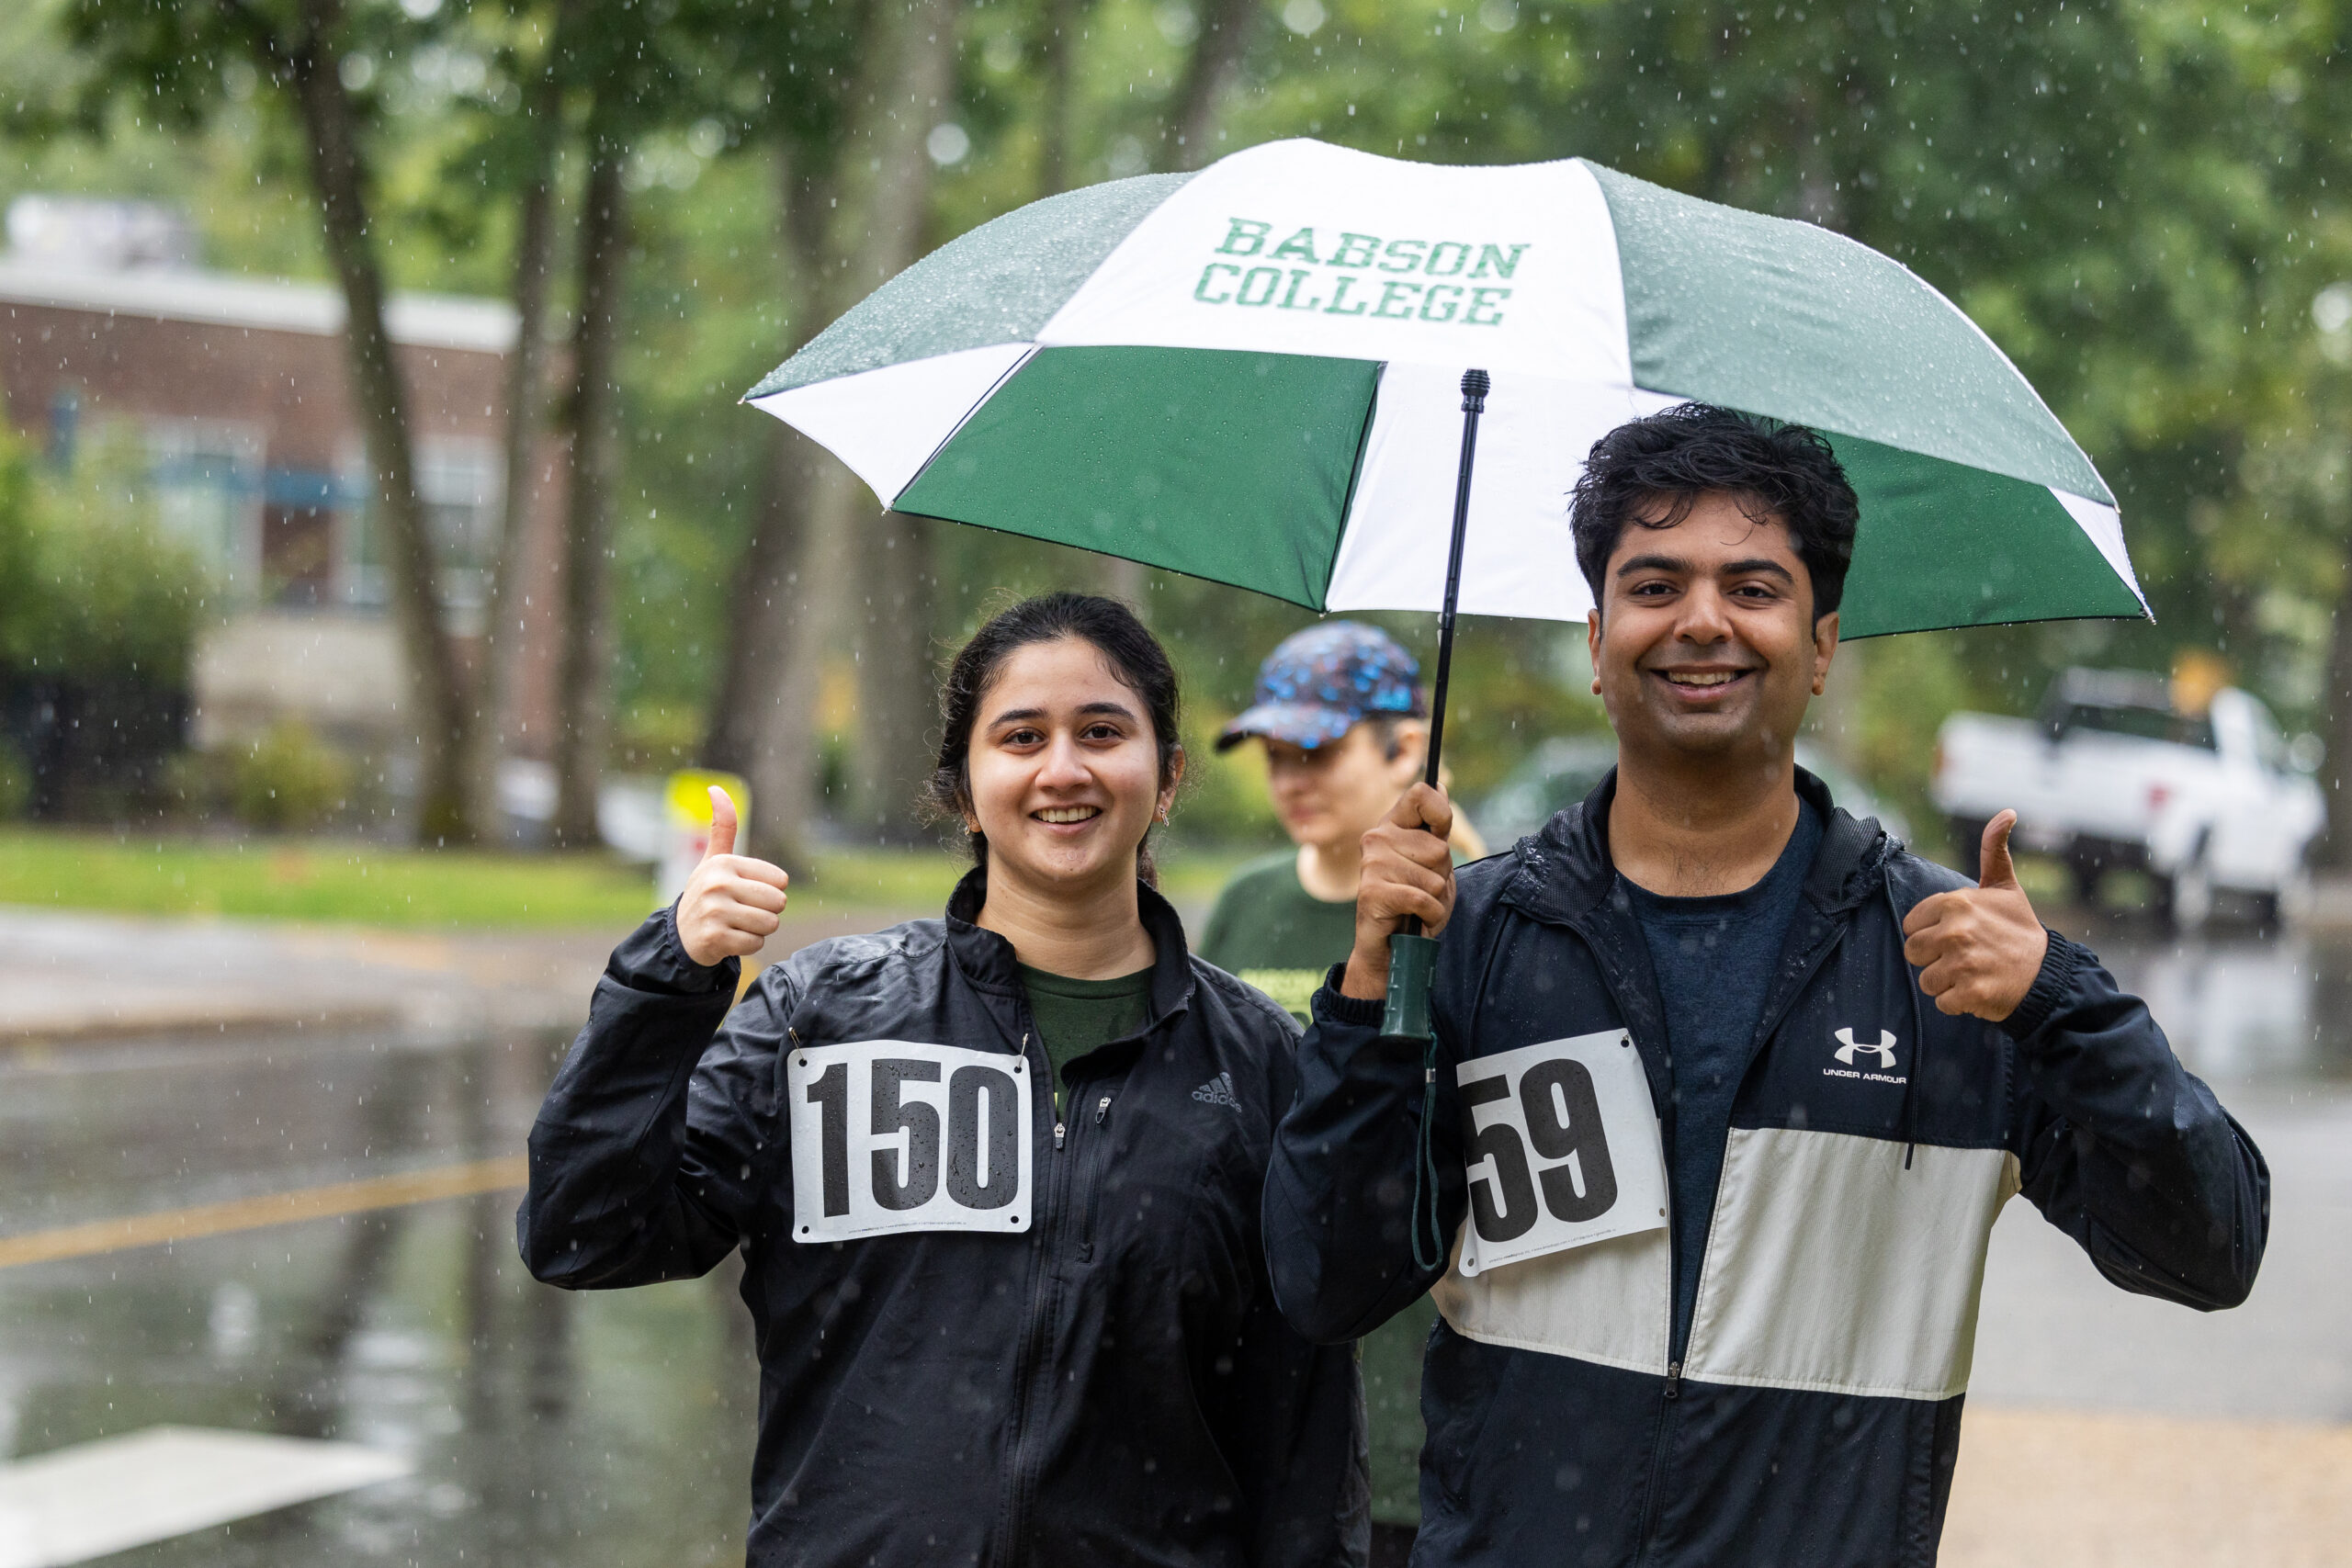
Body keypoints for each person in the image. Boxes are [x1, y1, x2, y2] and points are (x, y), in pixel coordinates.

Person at [1261, 404, 2269, 1567]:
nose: (1700, 621)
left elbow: (2215, 1247)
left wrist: (2058, 998)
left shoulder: (1950, 957)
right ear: (1595, 642)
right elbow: (1321, 1279)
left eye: (1751, 587)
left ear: (1823, 642)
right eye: (1653, 587)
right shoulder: (1476, 936)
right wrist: (1369, 996)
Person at [519, 592, 1365, 1568]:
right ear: (962, 788)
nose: (1063, 769)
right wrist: (668, 977)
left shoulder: (1259, 1061)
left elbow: (1302, 1434)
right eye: (1019, 736)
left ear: (1166, 777)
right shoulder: (823, 1016)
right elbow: (584, 1233)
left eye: (1102, 731)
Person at [1196, 621, 1479, 1568]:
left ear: (1408, 744)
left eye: (1317, 751)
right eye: (1274, 757)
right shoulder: (1245, 901)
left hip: (1412, 1396)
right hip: (1259, 1386)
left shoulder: (1475, 905)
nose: (1291, 781)